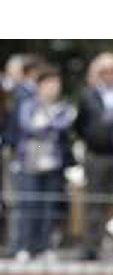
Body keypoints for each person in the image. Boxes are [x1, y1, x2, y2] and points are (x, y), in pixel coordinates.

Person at [14, 65, 76, 261]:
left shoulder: (64, 107)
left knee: (50, 207)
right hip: (29, 164)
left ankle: (44, 247)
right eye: (49, 84)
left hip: (54, 164)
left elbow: (63, 125)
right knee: (29, 205)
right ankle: (24, 246)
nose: (53, 88)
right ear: (39, 86)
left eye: (56, 84)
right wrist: (49, 125)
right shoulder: (27, 105)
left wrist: (43, 125)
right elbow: (27, 126)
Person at [75, 52, 113, 260]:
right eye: (103, 71)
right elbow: (80, 124)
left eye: (112, 70)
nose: (108, 75)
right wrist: (92, 138)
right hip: (96, 156)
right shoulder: (89, 94)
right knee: (94, 203)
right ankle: (91, 248)